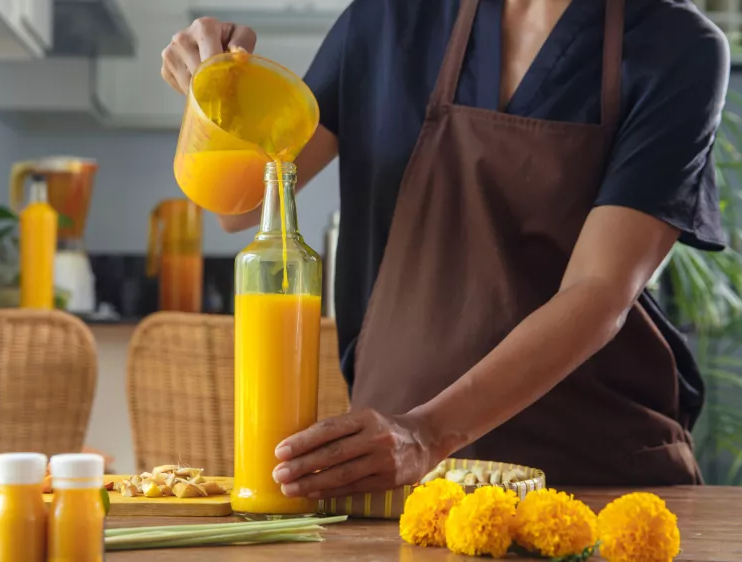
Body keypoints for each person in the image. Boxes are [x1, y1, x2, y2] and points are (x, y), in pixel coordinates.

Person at [161, 0, 730, 497]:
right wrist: (216, 91)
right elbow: (240, 206)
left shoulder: (676, 47)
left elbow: (599, 289)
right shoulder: (388, 20)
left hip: (595, 477)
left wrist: (428, 433)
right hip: (401, 488)